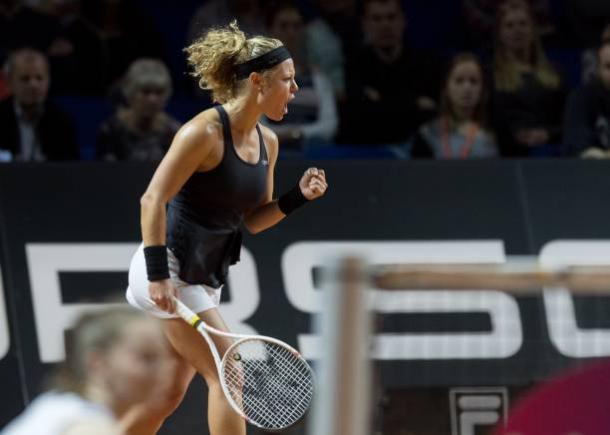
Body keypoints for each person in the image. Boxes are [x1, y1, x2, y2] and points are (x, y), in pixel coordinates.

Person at [124, 21, 328, 435]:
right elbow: (152, 199)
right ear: (257, 81)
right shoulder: (203, 133)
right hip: (168, 269)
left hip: (205, 277)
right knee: (229, 372)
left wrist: (297, 198)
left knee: (166, 396)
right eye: (287, 81)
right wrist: (160, 276)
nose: (295, 90)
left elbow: (252, 221)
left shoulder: (268, 142)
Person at [0, 307, 171, 435]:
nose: (164, 372)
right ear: (98, 363)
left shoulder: (57, 404)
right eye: (147, 358)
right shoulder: (88, 427)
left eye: (165, 359)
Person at [338, 0, 440, 147]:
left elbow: (430, 117)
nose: (385, 25)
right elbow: (356, 119)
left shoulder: (425, 64)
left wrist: (379, 103)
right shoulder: (356, 65)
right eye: (377, 19)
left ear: (403, 21)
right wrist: (413, 103)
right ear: (365, 24)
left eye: (391, 17)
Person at [490, 0, 567, 157]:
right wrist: (514, 135)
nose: (517, 30)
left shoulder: (556, 73)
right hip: (505, 154)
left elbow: (568, 121)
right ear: (499, 33)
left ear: (533, 29)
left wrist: (548, 134)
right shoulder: (489, 74)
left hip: (550, 154)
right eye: (509, 25)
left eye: (523, 24)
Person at [263, 0, 338, 151]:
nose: (291, 33)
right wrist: (286, 136)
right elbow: (255, 125)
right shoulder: (257, 79)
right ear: (270, 31)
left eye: (296, 26)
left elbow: (330, 125)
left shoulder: (319, 79)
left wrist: (297, 134)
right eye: (284, 26)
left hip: (312, 154)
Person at [412, 53, 498, 159]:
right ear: (447, 88)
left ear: (483, 89)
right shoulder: (428, 133)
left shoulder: (496, 131)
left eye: (474, 81)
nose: (467, 88)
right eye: (459, 81)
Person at [0, 47, 79, 162]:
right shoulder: (1, 115)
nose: (33, 85)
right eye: (25, 79)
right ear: (9, 82)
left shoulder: (62, 120)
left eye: (39, 78)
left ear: (49, 81)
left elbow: (72, 167)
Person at [96, 58, 180, 161]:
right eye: (146, 91)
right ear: (130, 92)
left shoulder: (174, 132)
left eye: (159, 92)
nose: (152, 99)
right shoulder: (111, 130)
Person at [563, 39, 610, 157]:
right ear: (598, 70)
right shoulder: (581, 97)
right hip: (593, 170)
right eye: (609, 66)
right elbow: (579, 143)